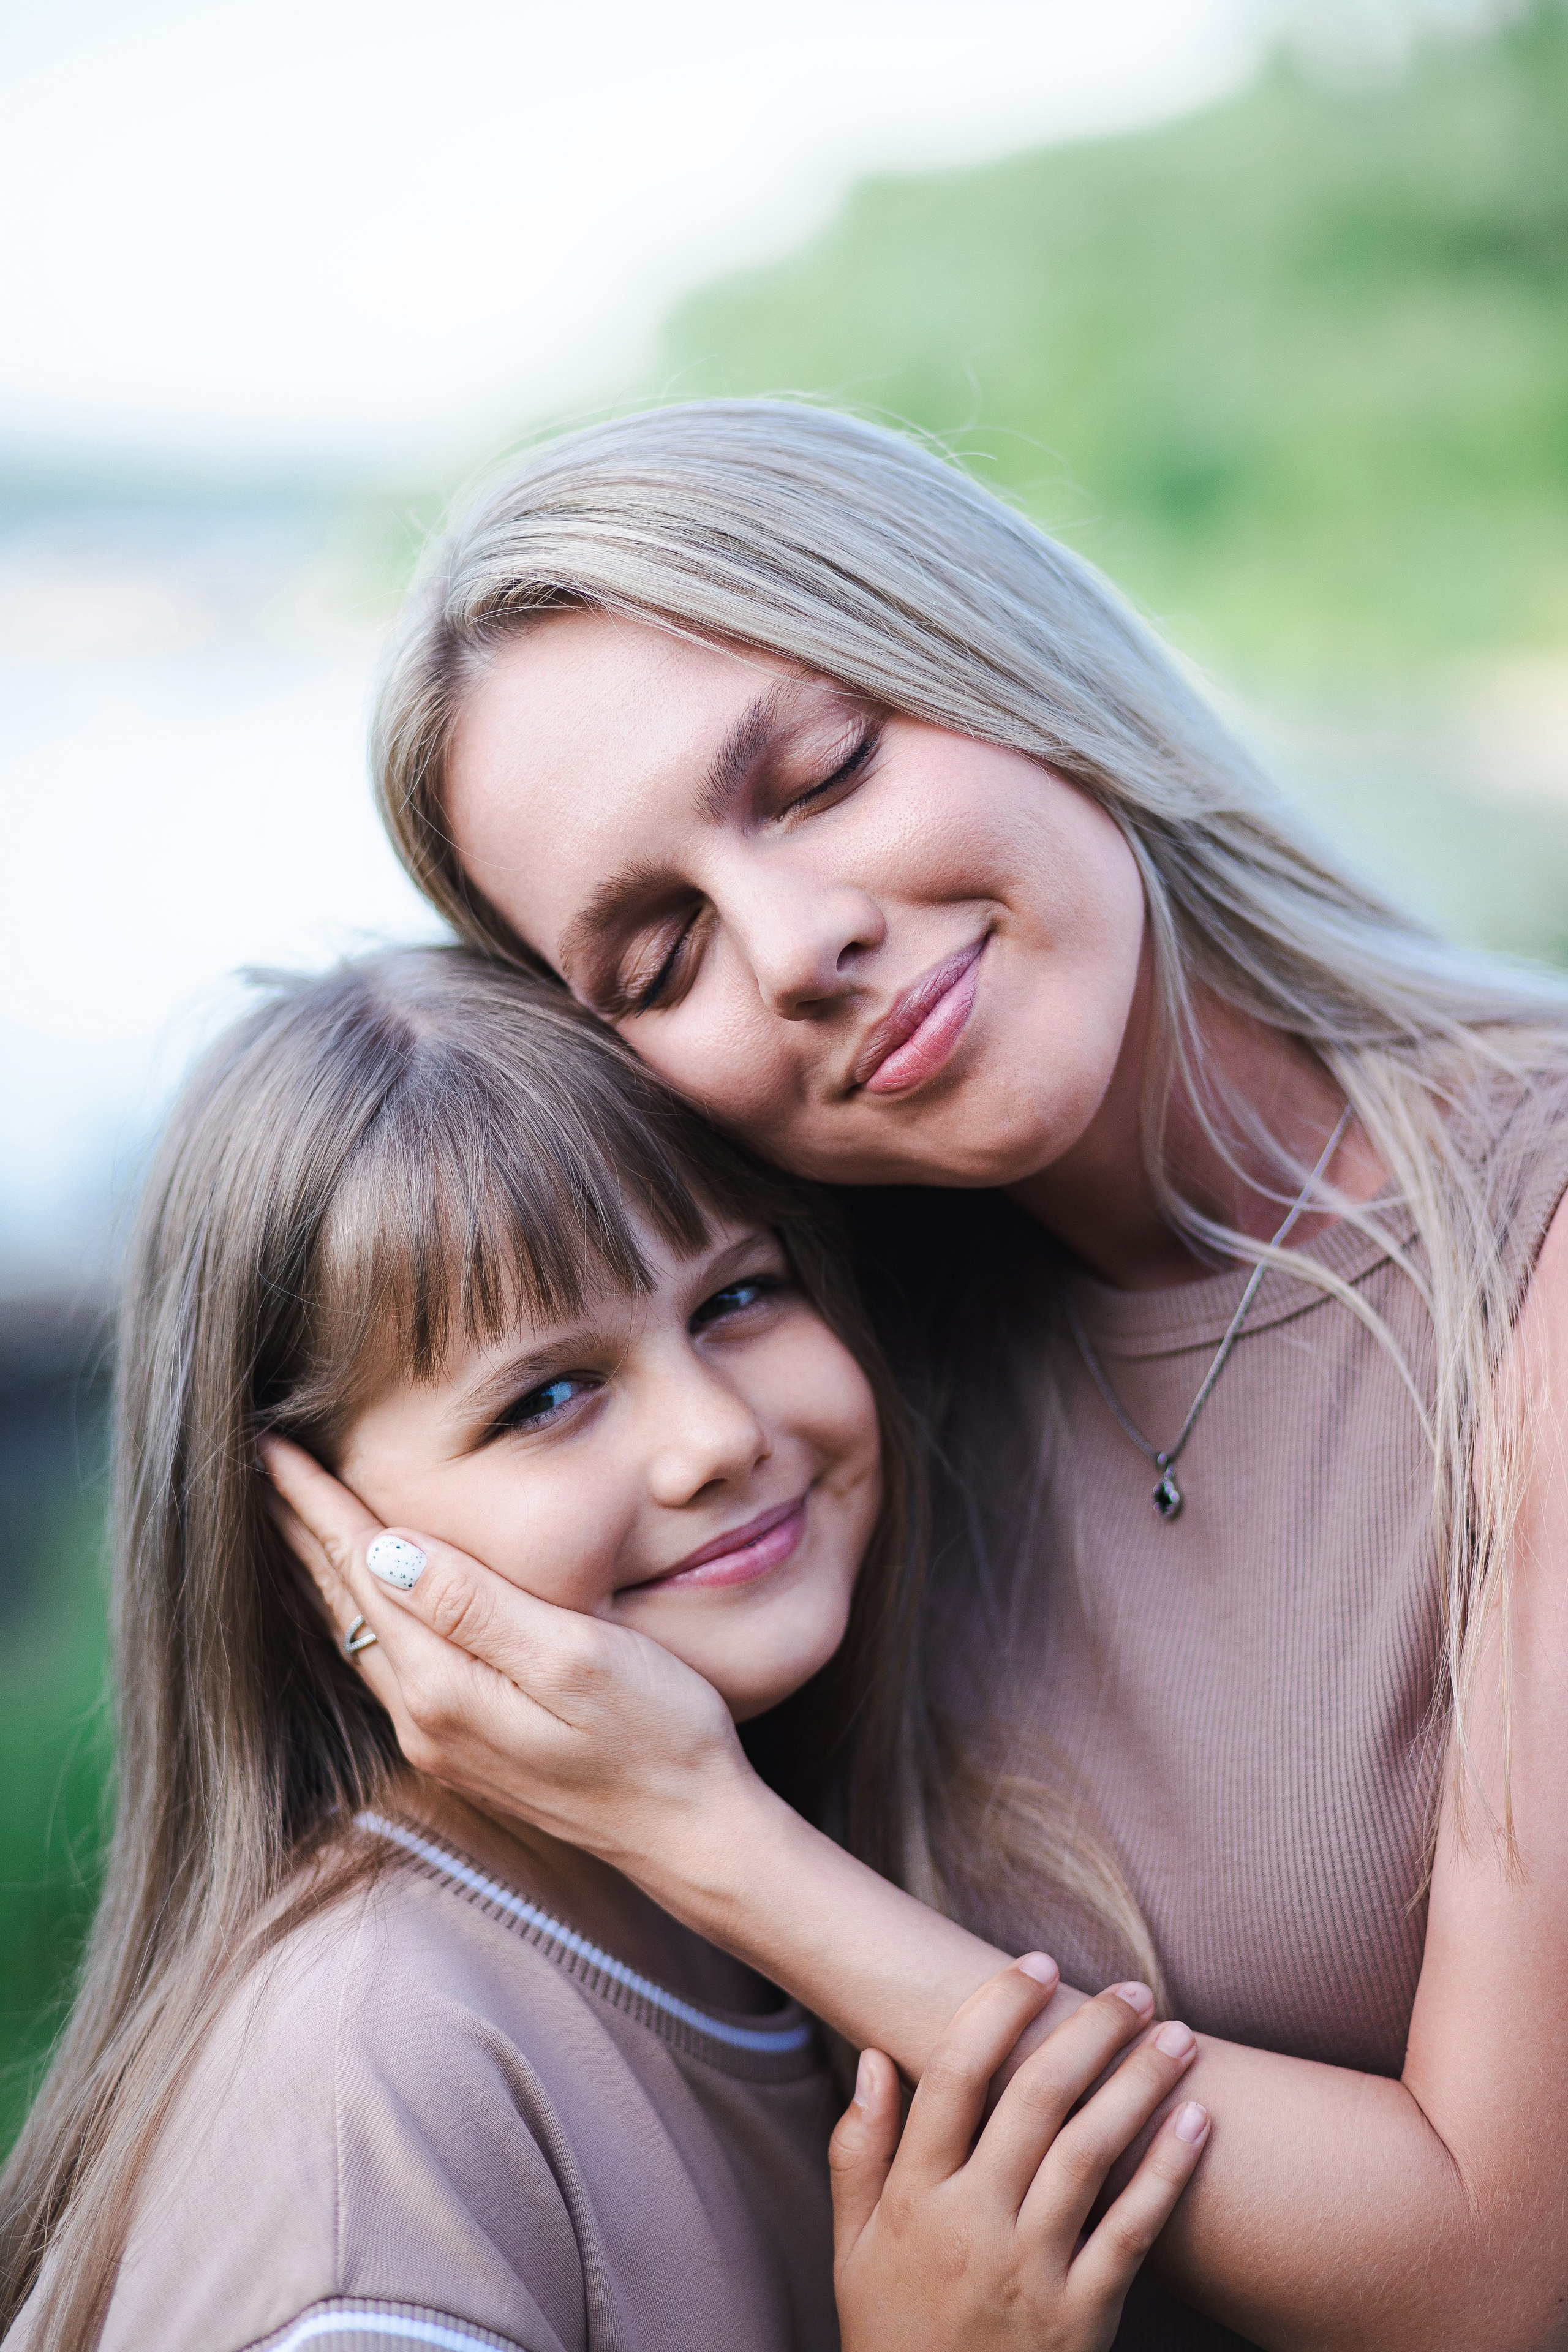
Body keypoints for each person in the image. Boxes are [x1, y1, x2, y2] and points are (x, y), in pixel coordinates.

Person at [275, 401, 1568, 2350]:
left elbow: (1498, 2262)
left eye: (819, 776)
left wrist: (709, 1838)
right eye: (657, 958)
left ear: (1001, 652)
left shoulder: (1531, 1248)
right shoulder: (811, 1380)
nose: (796, 949)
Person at [0, 949, 1210, 2352]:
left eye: (736, 1298)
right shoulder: (369, 2085)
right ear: (305, 1530)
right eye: (549, 1396)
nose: (714, 1437)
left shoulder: (754, 1899)